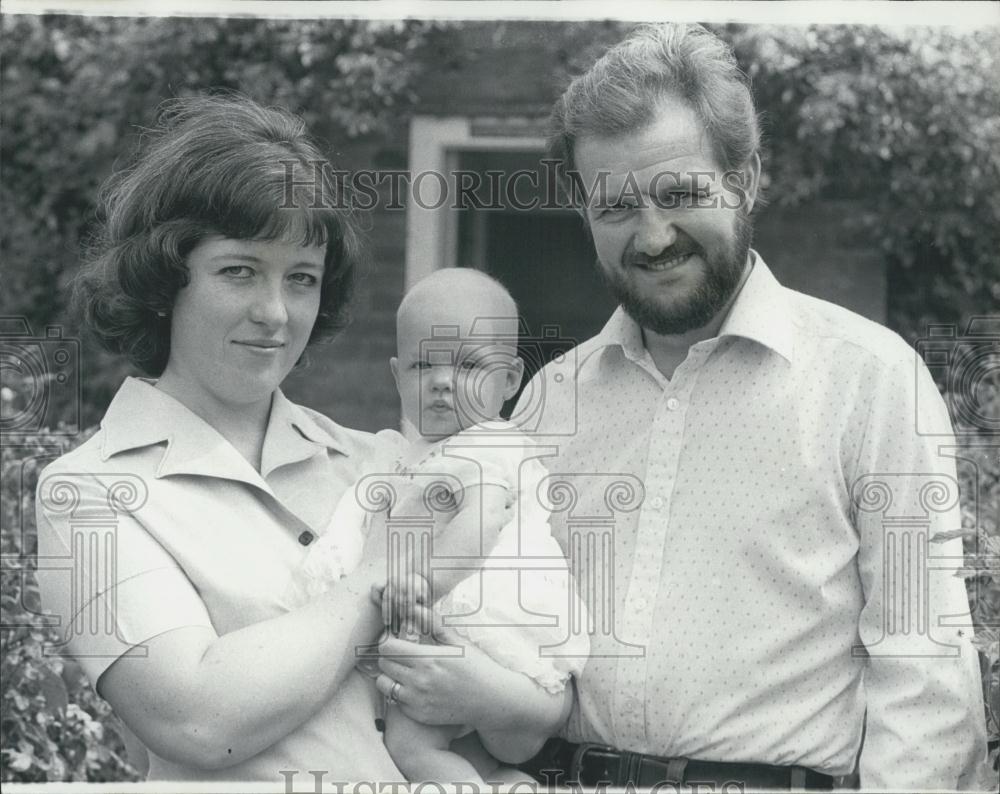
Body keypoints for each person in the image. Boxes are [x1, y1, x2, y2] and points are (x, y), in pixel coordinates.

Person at [515, 23, 989, 791]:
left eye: (680, 194)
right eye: (616, 208)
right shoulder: (548, 403)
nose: (653, 235)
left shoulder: (869, 381)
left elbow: (925, 669)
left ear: (748, 180)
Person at [34, 95, 560, 783]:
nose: (275, 313)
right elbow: (197, 721)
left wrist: (510, 736)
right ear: (165, 279)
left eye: (302, 279)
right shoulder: (89, 495)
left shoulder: (379, 460)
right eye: (239, 271)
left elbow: (514, 695)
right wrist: (377, 574)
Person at [297, 268, 587, 785]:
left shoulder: (489, 445)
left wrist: (424, 584)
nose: (442, 380)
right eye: (422, 364)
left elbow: (480, 523)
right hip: (470, 640)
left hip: (483, 621)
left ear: (512, 380)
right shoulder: (400, 455)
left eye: (470, 365)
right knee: (486, 750)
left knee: (412, 746)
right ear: (396, 375)